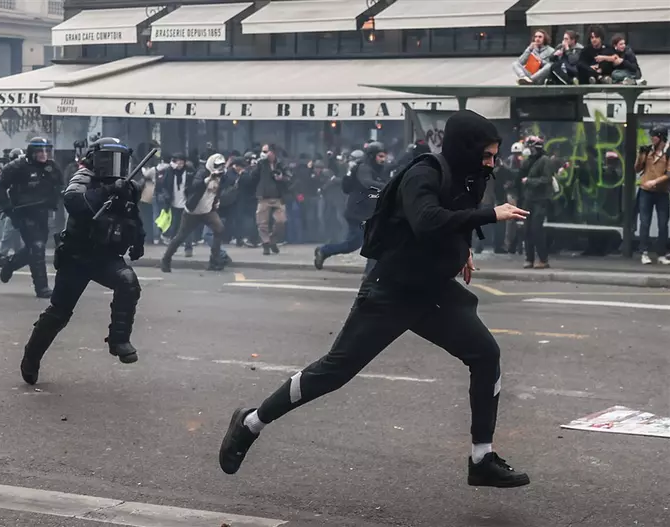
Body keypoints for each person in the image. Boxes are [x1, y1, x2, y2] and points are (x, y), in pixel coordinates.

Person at [218, 110, 532, 488]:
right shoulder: (424, 173)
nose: (491, 164)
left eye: (494, 156)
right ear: (464, 149)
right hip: (391, 291)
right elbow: (427, 219)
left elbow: (453, 219)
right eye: (486, 155)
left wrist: (462, 250)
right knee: (334, 371)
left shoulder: (471, 178)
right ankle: (251, 422)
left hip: (432, 292)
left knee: (486, 354)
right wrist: (489, 216)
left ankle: (481, 459)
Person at [19, 138, 146, 385]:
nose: (115, 165)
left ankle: (119, 340)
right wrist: (108, 190)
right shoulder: (84, 177)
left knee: (128, 281)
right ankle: (31, 357)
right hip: (77, 256)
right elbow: (74, 202)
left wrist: (138, 241)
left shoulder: (128, 185)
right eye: (111, 158)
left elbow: (133, 215)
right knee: (59, 313)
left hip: (106, 256)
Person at [0, 137, 62, 298]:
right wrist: (8, 208)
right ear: (32, 152)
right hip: (23, 213)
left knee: (33, 249)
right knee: (37, 248)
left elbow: (61, 185)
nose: (43, 154)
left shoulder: (52, 167)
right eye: (40, 151)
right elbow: (0, 187)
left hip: (43, 213)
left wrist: (56, 198)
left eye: (46, 150)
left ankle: (10, 264)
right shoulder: (17, 167)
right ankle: (42, 287)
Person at [314, 144, 387, 272]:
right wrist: (387, 186)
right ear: (372, 155)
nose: (383, 159)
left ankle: (324, 251)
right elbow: (367, 183)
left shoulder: (376, 169)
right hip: (359, 212)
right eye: (380, 156)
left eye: (384, 156)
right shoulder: (364, 168)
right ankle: (369, 275)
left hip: (366, 212)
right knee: (369, 242)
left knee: (356, 244)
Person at [160, 153, 227, 273]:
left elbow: (220, 189)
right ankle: (166, 260)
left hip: (208, 211)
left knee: (219, 229)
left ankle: (215, 261)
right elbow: (195, 186)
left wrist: (217, 200)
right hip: (193, 211)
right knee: (180, 236)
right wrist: (208, 179)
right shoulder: (202, 172)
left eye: (221, 166)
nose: (219, 168)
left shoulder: (221, 175)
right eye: (217, 166)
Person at [636, 126, 670, 265]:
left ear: (661, 137)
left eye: (654, 136)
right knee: (645, 222)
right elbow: (638, 169)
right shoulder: (648, 151)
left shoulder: (668, 153)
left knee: (663, 224)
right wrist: (640, 156)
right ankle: (644, 252)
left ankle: (661, 253)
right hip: (646, 191)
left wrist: (655, 181)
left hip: (662, 192)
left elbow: (668, 173)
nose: (652, 138)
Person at [521, 137, 553, 269]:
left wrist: (529, 181)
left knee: (536, 229)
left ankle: (543, 259)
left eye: (531, 148)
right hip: (529, 199)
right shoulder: (530, 161)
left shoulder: (544, 160)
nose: (529, 150)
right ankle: (529, 258)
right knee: (527, 229)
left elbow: (546, 179)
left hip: (540, 200)